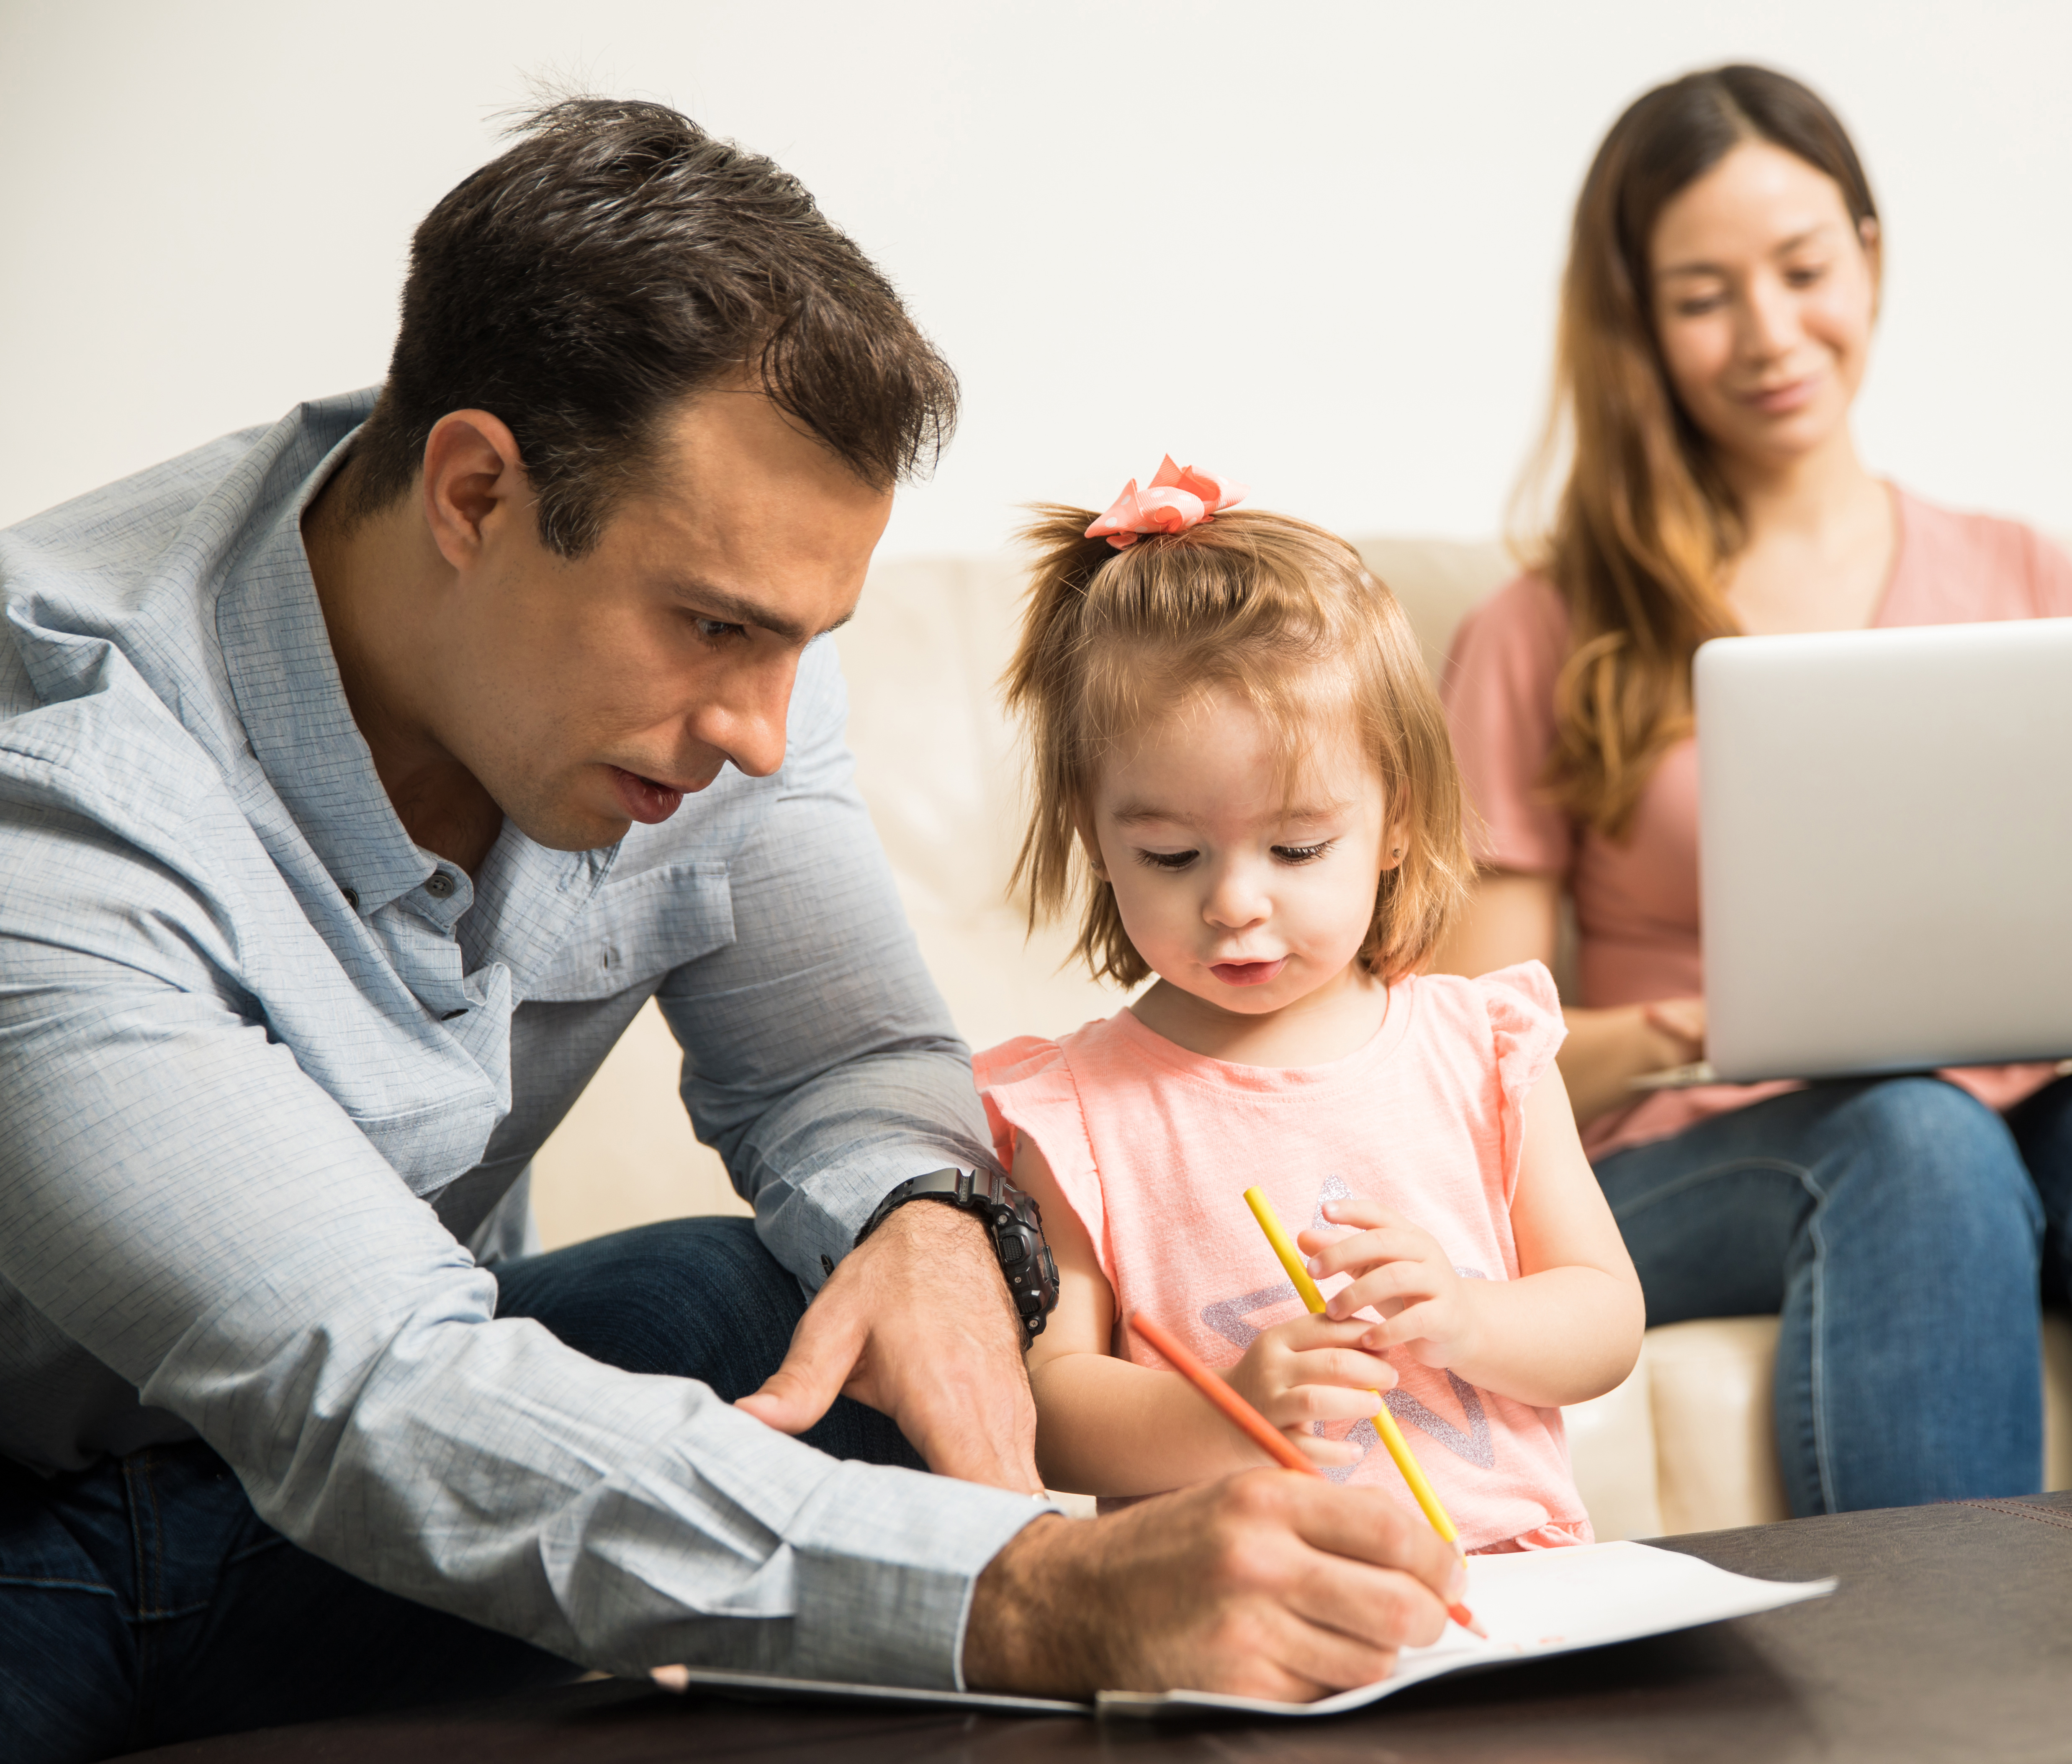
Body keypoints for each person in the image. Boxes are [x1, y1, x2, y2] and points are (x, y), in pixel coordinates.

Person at [0, 101, 1458, 1761]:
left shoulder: (732, 652)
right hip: (57, 1534)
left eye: (801, 642)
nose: (765, 732)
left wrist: (917, 1209)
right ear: (476, 491)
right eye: (713, 629)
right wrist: (1048, 1584)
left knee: (794, 1298)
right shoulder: (57, 788)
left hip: (331, 1514)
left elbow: (844, 1057)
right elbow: (375, 1391)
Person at [1437, 65, 2072, 1515]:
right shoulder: (1538, 632)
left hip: (2013, 1128)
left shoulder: (2027, 575)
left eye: (1803, 269)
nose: (1771, 334)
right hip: (1708, 1162)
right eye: (1702, 294)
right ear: (1635, 322)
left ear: (1868, 250)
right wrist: (1700, 1028)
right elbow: (1474, 1061)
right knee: (1911, 1133)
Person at [972, 468, 1642, 1546]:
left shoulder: (1482, 1048)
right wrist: (1222, 1410)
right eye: (1170, 854)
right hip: (1238, 1602)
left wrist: (1470, 1318)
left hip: (1511, 1582)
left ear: (1395, 825)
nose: (1235, 902)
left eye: (1296, 848)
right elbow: (1051, 1413)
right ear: (1098, 841)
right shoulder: (1081, 1112)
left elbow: (1606, 1319)